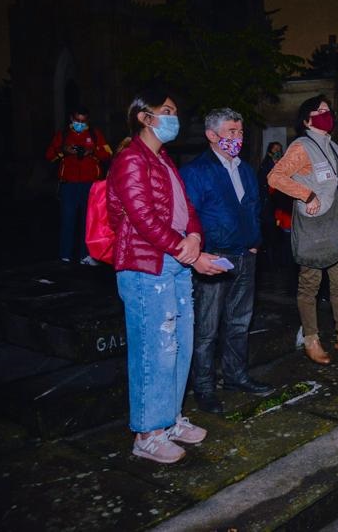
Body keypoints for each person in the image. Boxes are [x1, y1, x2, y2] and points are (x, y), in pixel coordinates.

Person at [107, 85, 226, 464]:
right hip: (146, 265)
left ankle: (169, 420)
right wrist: (182, 248)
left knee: (179, 344)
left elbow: (186, 206)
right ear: (146, 117)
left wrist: (193, 236)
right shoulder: (130, 159)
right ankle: (147, 433)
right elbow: (142, 217)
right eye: (168, 112)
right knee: (153, 349)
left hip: (173, 262)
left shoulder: (164, 160)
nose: (174, 119)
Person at [267, 95, 338, 365]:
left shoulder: (334, 147)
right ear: (306, 119)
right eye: (320, 111)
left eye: (328, 110)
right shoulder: (302, 147)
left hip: (337, 227)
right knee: (309, 285)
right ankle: (311, 340)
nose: (327, 114)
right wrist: (307, 195)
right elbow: (275, 177)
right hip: (314, 228)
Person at [180, 108, 273, 415]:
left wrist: (255, 241)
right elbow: (187, 216)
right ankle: (204, 387)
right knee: (207, 328)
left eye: (240, 132)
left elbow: (254, 205)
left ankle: (235, 376)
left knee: (239, 321)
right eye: (231, 132)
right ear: (211, 135)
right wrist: (199, 254)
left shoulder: (245, 169)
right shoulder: (196, 171)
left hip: (246, 255)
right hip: (214, 257)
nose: (238, 138)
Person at [45, 106, 112, 264]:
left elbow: (108, 154)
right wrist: (64, 151)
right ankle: (65, 254)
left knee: (87, 221)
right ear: (71, 119)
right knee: (68, 219)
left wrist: (92, 150)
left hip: (90, 186)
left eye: (83, 121)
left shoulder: (95, 135)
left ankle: (86, 255)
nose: (80, 124)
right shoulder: (63, 135)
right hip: (69, 185)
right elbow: (49, 156)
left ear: (88, 120)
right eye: (77, 120)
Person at [258, 141, 287, 265]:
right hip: (269, 205)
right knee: (271, 234)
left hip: (279, 205)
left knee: (279, 233)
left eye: (279, 149)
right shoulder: (266, 166)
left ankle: (279, 259)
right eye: (275, 149)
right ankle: (271, 261)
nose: (278, 152)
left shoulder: (282, 164)